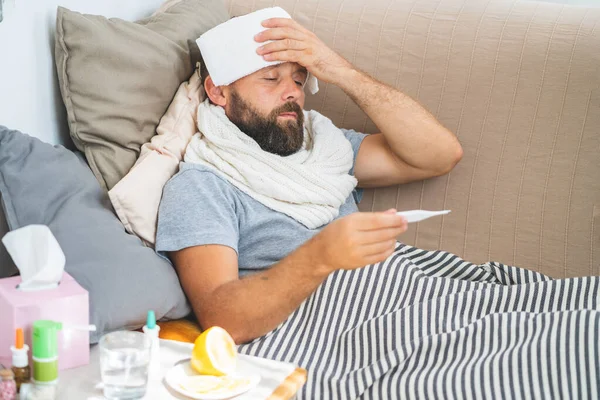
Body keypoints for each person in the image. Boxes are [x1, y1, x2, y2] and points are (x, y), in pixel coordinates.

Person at [157, 9, 599, 399]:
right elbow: (221, 317)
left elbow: (440, 154)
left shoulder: (323, 151)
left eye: (297, 79)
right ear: (218, 92)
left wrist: (339, 71)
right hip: (352, 336)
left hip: (430, 299)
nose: (292, 92)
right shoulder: (203, 185)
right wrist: (322, 255)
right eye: (270, 79)